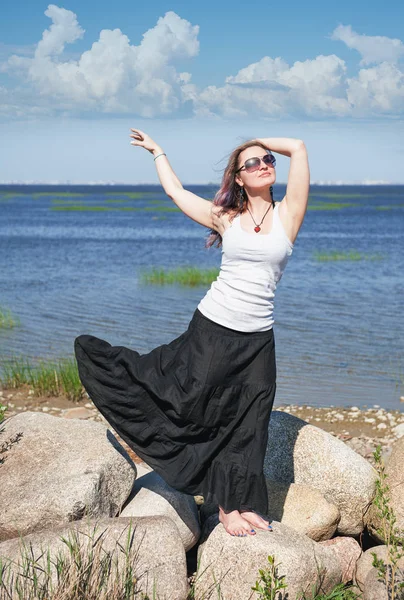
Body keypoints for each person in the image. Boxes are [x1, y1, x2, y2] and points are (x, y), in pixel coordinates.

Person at [74, 129, 309, 538]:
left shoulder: (289, 213)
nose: (263, 165)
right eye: (251, 163)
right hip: (213, 329)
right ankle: (224, 508)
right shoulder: (226, 217)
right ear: (238, 177)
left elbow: (299, 148)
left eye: (267, 160)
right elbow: (177, 193)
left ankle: (240, 504)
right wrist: (158, 151)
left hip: (258, 340)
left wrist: (262, 143)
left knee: (250, 424)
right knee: (198, 406)